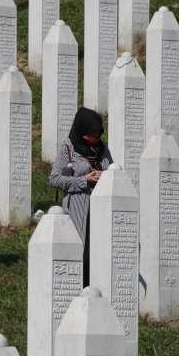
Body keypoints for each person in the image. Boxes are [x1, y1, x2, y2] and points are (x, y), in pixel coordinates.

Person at [49, 107, 113, 286]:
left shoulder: (103, 149)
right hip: (76, 209)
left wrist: (104, 176)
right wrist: (84, 180)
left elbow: (113, 171)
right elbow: (54, 179)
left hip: (100, 209)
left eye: (97, 135)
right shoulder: (68, 148)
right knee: (79, 252)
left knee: (97, 252)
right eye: (90, 135)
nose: (95, 139)